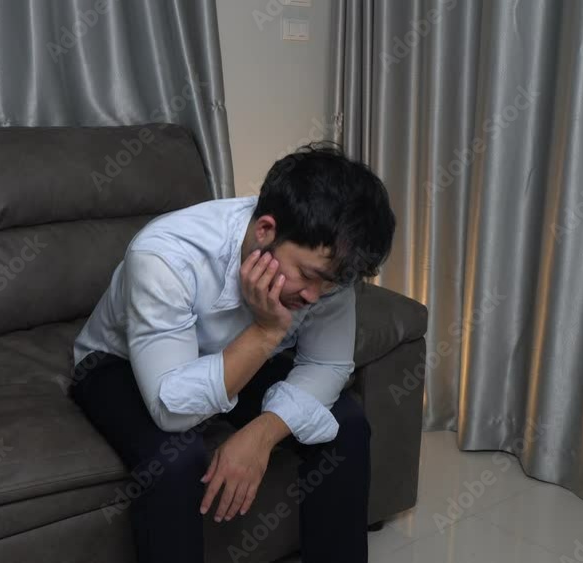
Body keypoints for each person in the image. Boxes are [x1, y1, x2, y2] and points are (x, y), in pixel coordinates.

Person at [69, 143, 395, 562]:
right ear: (265, 231)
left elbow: (327, 364)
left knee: (345, 423)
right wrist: (266, 331)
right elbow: (173, 410)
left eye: (330, 283)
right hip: (119, 363)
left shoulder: (329, 269)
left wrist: (262, 434)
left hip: (233, 353)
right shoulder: (164, 255)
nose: (315, 296)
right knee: (175, 460)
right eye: (308, 276)